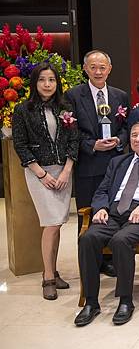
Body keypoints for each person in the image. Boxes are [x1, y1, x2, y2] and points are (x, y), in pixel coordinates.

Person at [74, 121, 139, 326]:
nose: (137, 139)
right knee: (87, 238)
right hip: (112, 214)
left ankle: (125, 300)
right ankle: (91, 302)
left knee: (121, 241)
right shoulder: (118, 162)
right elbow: (102, 190)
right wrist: (101, 208)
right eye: (134, 135)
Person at [12, 62, 78, 300]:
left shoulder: (65, 107)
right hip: (39, 173)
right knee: (51, 223)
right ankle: (48, 277)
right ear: (35, 83)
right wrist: (41, 173)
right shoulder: (23, 110)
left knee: (58, 222)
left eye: (51, 80)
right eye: (42, 80)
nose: (47, 84)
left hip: (63, 171)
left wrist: (67, 170)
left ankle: (52, 270)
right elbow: (20, 145)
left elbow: (74, 140)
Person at [66, 49, 130, 277]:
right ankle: (90, 262)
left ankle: (109, 258)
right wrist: (92, 145)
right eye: (93, 67)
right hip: (89, 165)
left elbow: (126, 128)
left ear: (109, 69)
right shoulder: (73, 95)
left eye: (102, 67)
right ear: (85, 69)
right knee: (88, 213)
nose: (98, 71)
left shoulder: (120, 96)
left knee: (113, 212)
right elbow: (70, 131)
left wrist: (119, 141)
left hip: (115, 164)